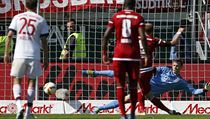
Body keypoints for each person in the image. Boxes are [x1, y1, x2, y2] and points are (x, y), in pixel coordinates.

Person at [84, 22, 185, 115]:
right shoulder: (154, 40)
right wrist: (179, 32)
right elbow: (173, 42)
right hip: (145, 72)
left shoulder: (134, 39)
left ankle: (99, 104)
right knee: (145, 93)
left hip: (134, 68)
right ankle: (142, 109)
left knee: (128, 91)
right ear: (151, 31)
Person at [83, 59, 210, 114]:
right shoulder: (165, 69)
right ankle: (94, 73)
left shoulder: (180, 81)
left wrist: (204, 90)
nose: (175, 67)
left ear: (181, 67)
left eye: (177, 66)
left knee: (125, 100)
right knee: (123, 75)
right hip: (144, 83)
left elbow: (194, 91)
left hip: (147, 92)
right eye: (174, 65)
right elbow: (154, 70)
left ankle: (98, 109)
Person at [101, 0, 149, 118]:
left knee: (120, 85)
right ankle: (132, 113)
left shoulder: (116, 16)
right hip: (133, 55)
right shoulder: (138, 17)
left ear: (123, 5)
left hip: (119, 55)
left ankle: (123, 115)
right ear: (134, 5)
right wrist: (146, 54)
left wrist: (104, 53)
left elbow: (106, 35)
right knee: (133, 85)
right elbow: (142, 37)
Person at [4, 0, 49, 119]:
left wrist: (6, 53)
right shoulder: (41, 19)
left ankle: (19, 107)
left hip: (19, 54)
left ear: (25, 5)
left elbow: (9, 35)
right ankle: (28, 112)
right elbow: (44, 41)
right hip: (34, 55)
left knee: (16, 80)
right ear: (36, 5)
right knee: (32, 81)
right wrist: (46, 57)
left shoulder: (17, 17)